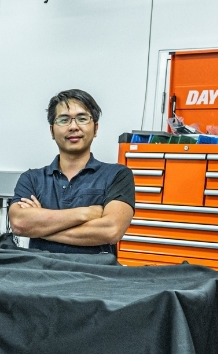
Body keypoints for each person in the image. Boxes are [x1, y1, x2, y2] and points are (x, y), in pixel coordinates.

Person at [8, 89, 134, 254]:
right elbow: (19, 223)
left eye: (82, 119)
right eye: (64, 120)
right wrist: (86, 213)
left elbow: (111, 230)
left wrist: (39, 227)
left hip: (94, 275)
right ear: (52, 130)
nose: (74, 127)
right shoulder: (32, 179)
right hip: (41, 274)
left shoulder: (117, 175)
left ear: (95, 128)